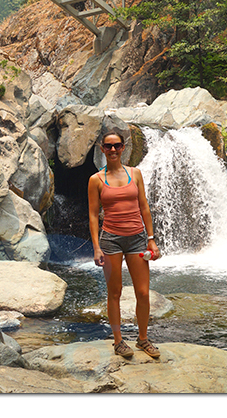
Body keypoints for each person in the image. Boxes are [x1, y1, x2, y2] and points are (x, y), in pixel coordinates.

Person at [88, 130, 162, 359]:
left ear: (123, 148)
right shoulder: (95, 180)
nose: (112, 150)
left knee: (143, 292)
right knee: (115, 293)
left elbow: (144, 207)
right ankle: (119, 341)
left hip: (137, 239)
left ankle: (142, 339)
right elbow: (92, 215)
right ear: (102, 149)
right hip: (110, 239)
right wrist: (96, 247)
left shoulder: (135, 174)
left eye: (117, 146)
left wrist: (151, 238)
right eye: (108, 146)